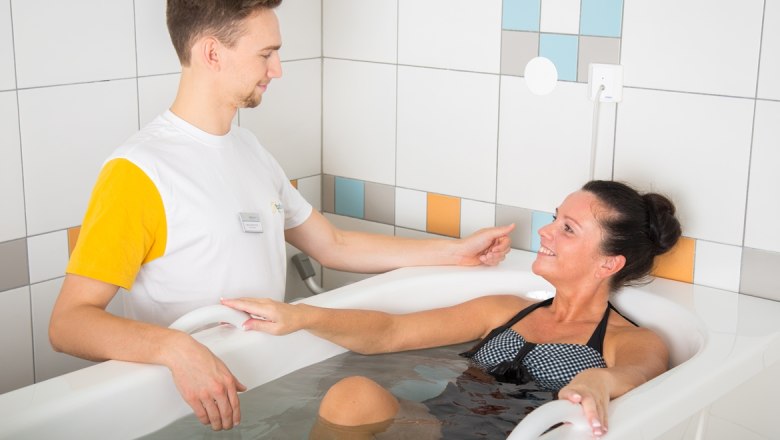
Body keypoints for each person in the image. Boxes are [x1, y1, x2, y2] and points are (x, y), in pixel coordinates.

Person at [47, 0, 514, 432]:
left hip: (259, 386)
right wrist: (176, 348)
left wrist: (456, 252)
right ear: (212, 53)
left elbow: (333, 245)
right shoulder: (139, 173)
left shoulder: (248, 148)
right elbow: (69, 323)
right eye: (265, 54)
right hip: (184, 404)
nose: (278, 69)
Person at [222, 180, 682, 438]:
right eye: (554, 217)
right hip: (440, 430)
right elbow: (388, 334)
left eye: (567, 228)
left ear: (609, 262)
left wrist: (597, 380)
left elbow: (637, 372)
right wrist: (300, 316)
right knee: (353, 394)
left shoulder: (630, 340)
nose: (545, 232)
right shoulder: (505, 310)